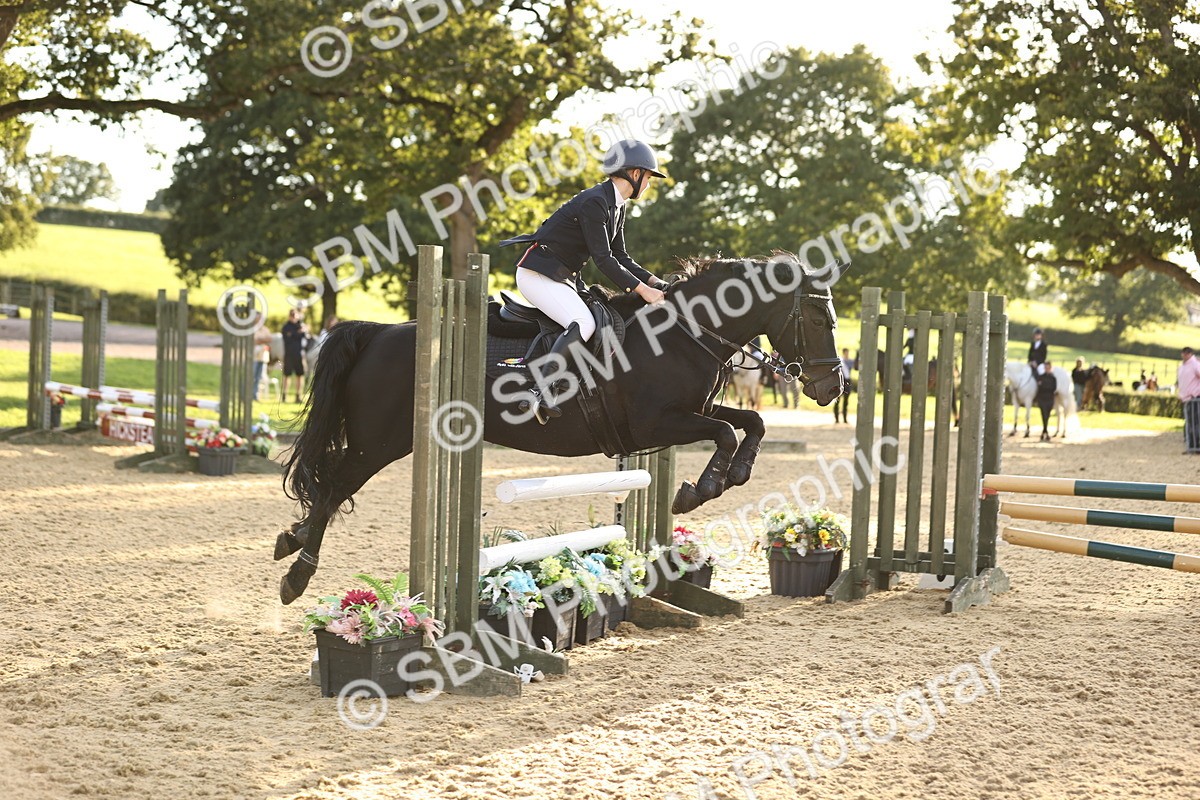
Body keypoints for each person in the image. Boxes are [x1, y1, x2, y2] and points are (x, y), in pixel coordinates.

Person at [500, 138, 671, 423]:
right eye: (649, 178)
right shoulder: (595, 202)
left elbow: (622, 256)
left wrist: (655, 283)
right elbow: (603, 260)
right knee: (584, 323)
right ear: (636, 173)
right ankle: (540, 391)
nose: (649, 184)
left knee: (597, 317)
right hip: (538, 274)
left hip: (561, 277)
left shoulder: (616, 205)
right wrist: (642, 291)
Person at [281, 308, 309, 403]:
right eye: (292, 315)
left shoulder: (300, 325)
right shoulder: (286, 327)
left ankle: (298, 395)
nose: (294, 317)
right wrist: (297, 333)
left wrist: (297, 333)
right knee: (286, 375)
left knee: (299, 375)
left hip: (298, 355)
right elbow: (288, 338)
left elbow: (304, 336)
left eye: (295, 315)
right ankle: (284, 395)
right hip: (289, 354)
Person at [1178, 347, 1200, 454]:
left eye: (1186, 354)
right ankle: (1191, 445)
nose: (1184, 355)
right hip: (1186, 398)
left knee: (1194, 422)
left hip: (1194, 396)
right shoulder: (1183, 366)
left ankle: (1196, 445)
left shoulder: (1195, 364)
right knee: (1189, 422)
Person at [1035, 359, 1058, 442]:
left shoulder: (1053, 378)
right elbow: (1039, 388)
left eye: (1048, 367)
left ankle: (1044, 431)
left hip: (1049, 399)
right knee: (1044, 415)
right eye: (1045, 367)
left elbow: (1053, 388)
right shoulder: (1041, 377)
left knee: (1047, 416)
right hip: (1042, 399)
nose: (1047, 369)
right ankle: (1045, 431)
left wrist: (1043, 386)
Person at [253, 319, 273, 402]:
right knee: (252, 377)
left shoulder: (265, 329)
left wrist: (260, 340)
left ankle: (255, 395)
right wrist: (263, 340)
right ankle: (249, 394)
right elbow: (254, 340)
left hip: (263, 357)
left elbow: (270, 339)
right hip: (254, 357)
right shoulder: (252, 329)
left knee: (259, 377)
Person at [834, 347, 854, 423]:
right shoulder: (840, 361)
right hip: (841, 381)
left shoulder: (849, 361)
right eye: (846, 353)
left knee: (846, 401)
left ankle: (845, 418)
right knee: (837, 400)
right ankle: (837, 419)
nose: (847, 354)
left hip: (848, 381)